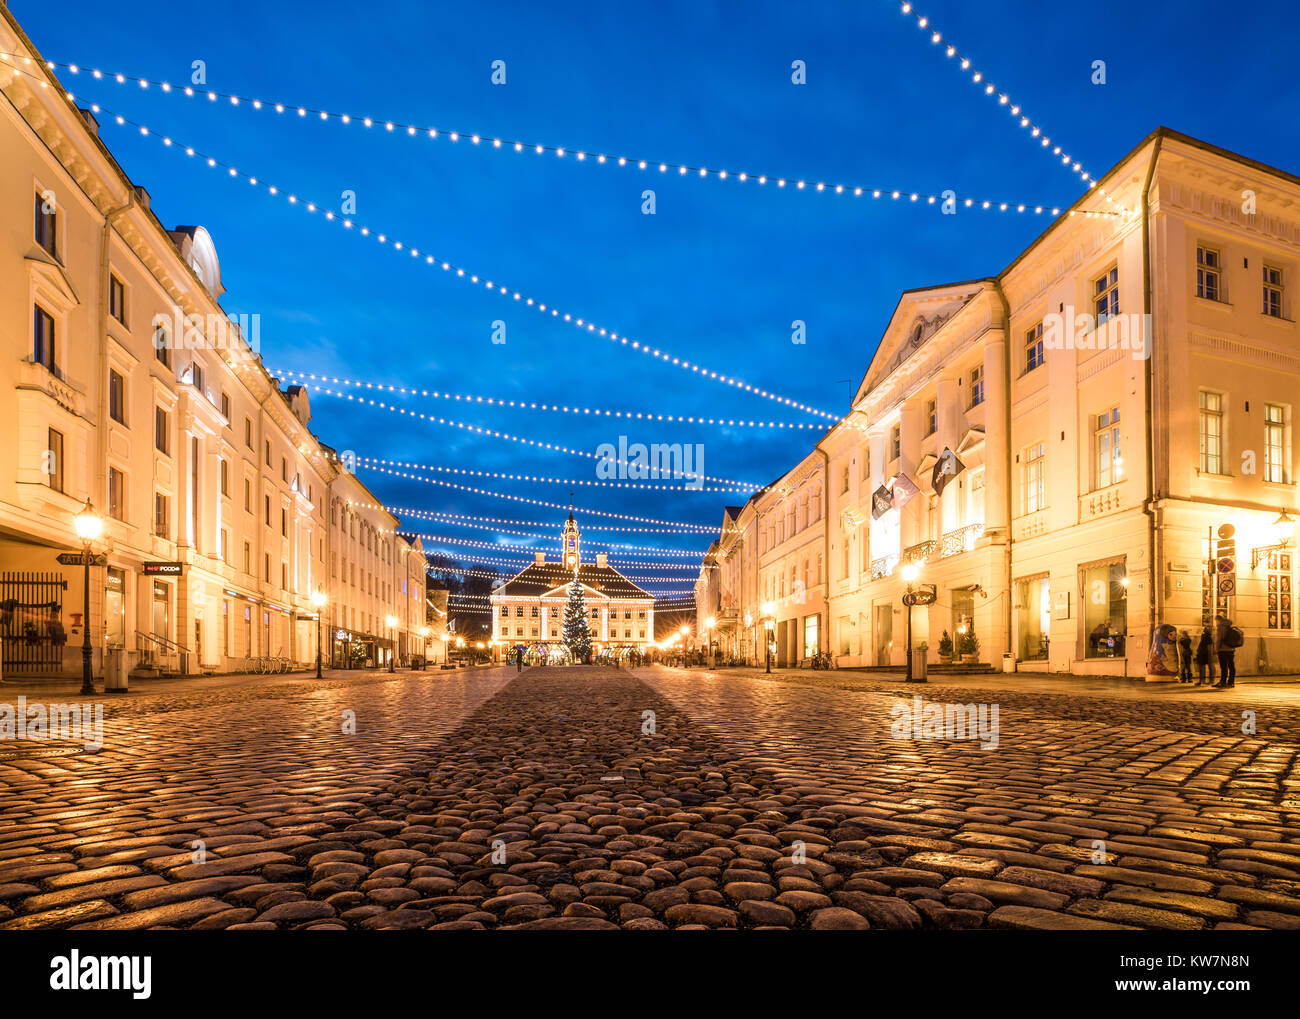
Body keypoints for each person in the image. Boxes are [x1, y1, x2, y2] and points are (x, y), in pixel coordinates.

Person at [1214, 613, 1238, 689]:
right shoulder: (1230, 626)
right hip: (1231, 649)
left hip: (1223, 649)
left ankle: (1223, 682)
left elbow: (1219, 639)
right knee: (1231, 666)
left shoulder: (1220, 627)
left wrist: (1216, 649)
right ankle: (1231, 682)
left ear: (1218, 620)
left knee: (1224, 667)